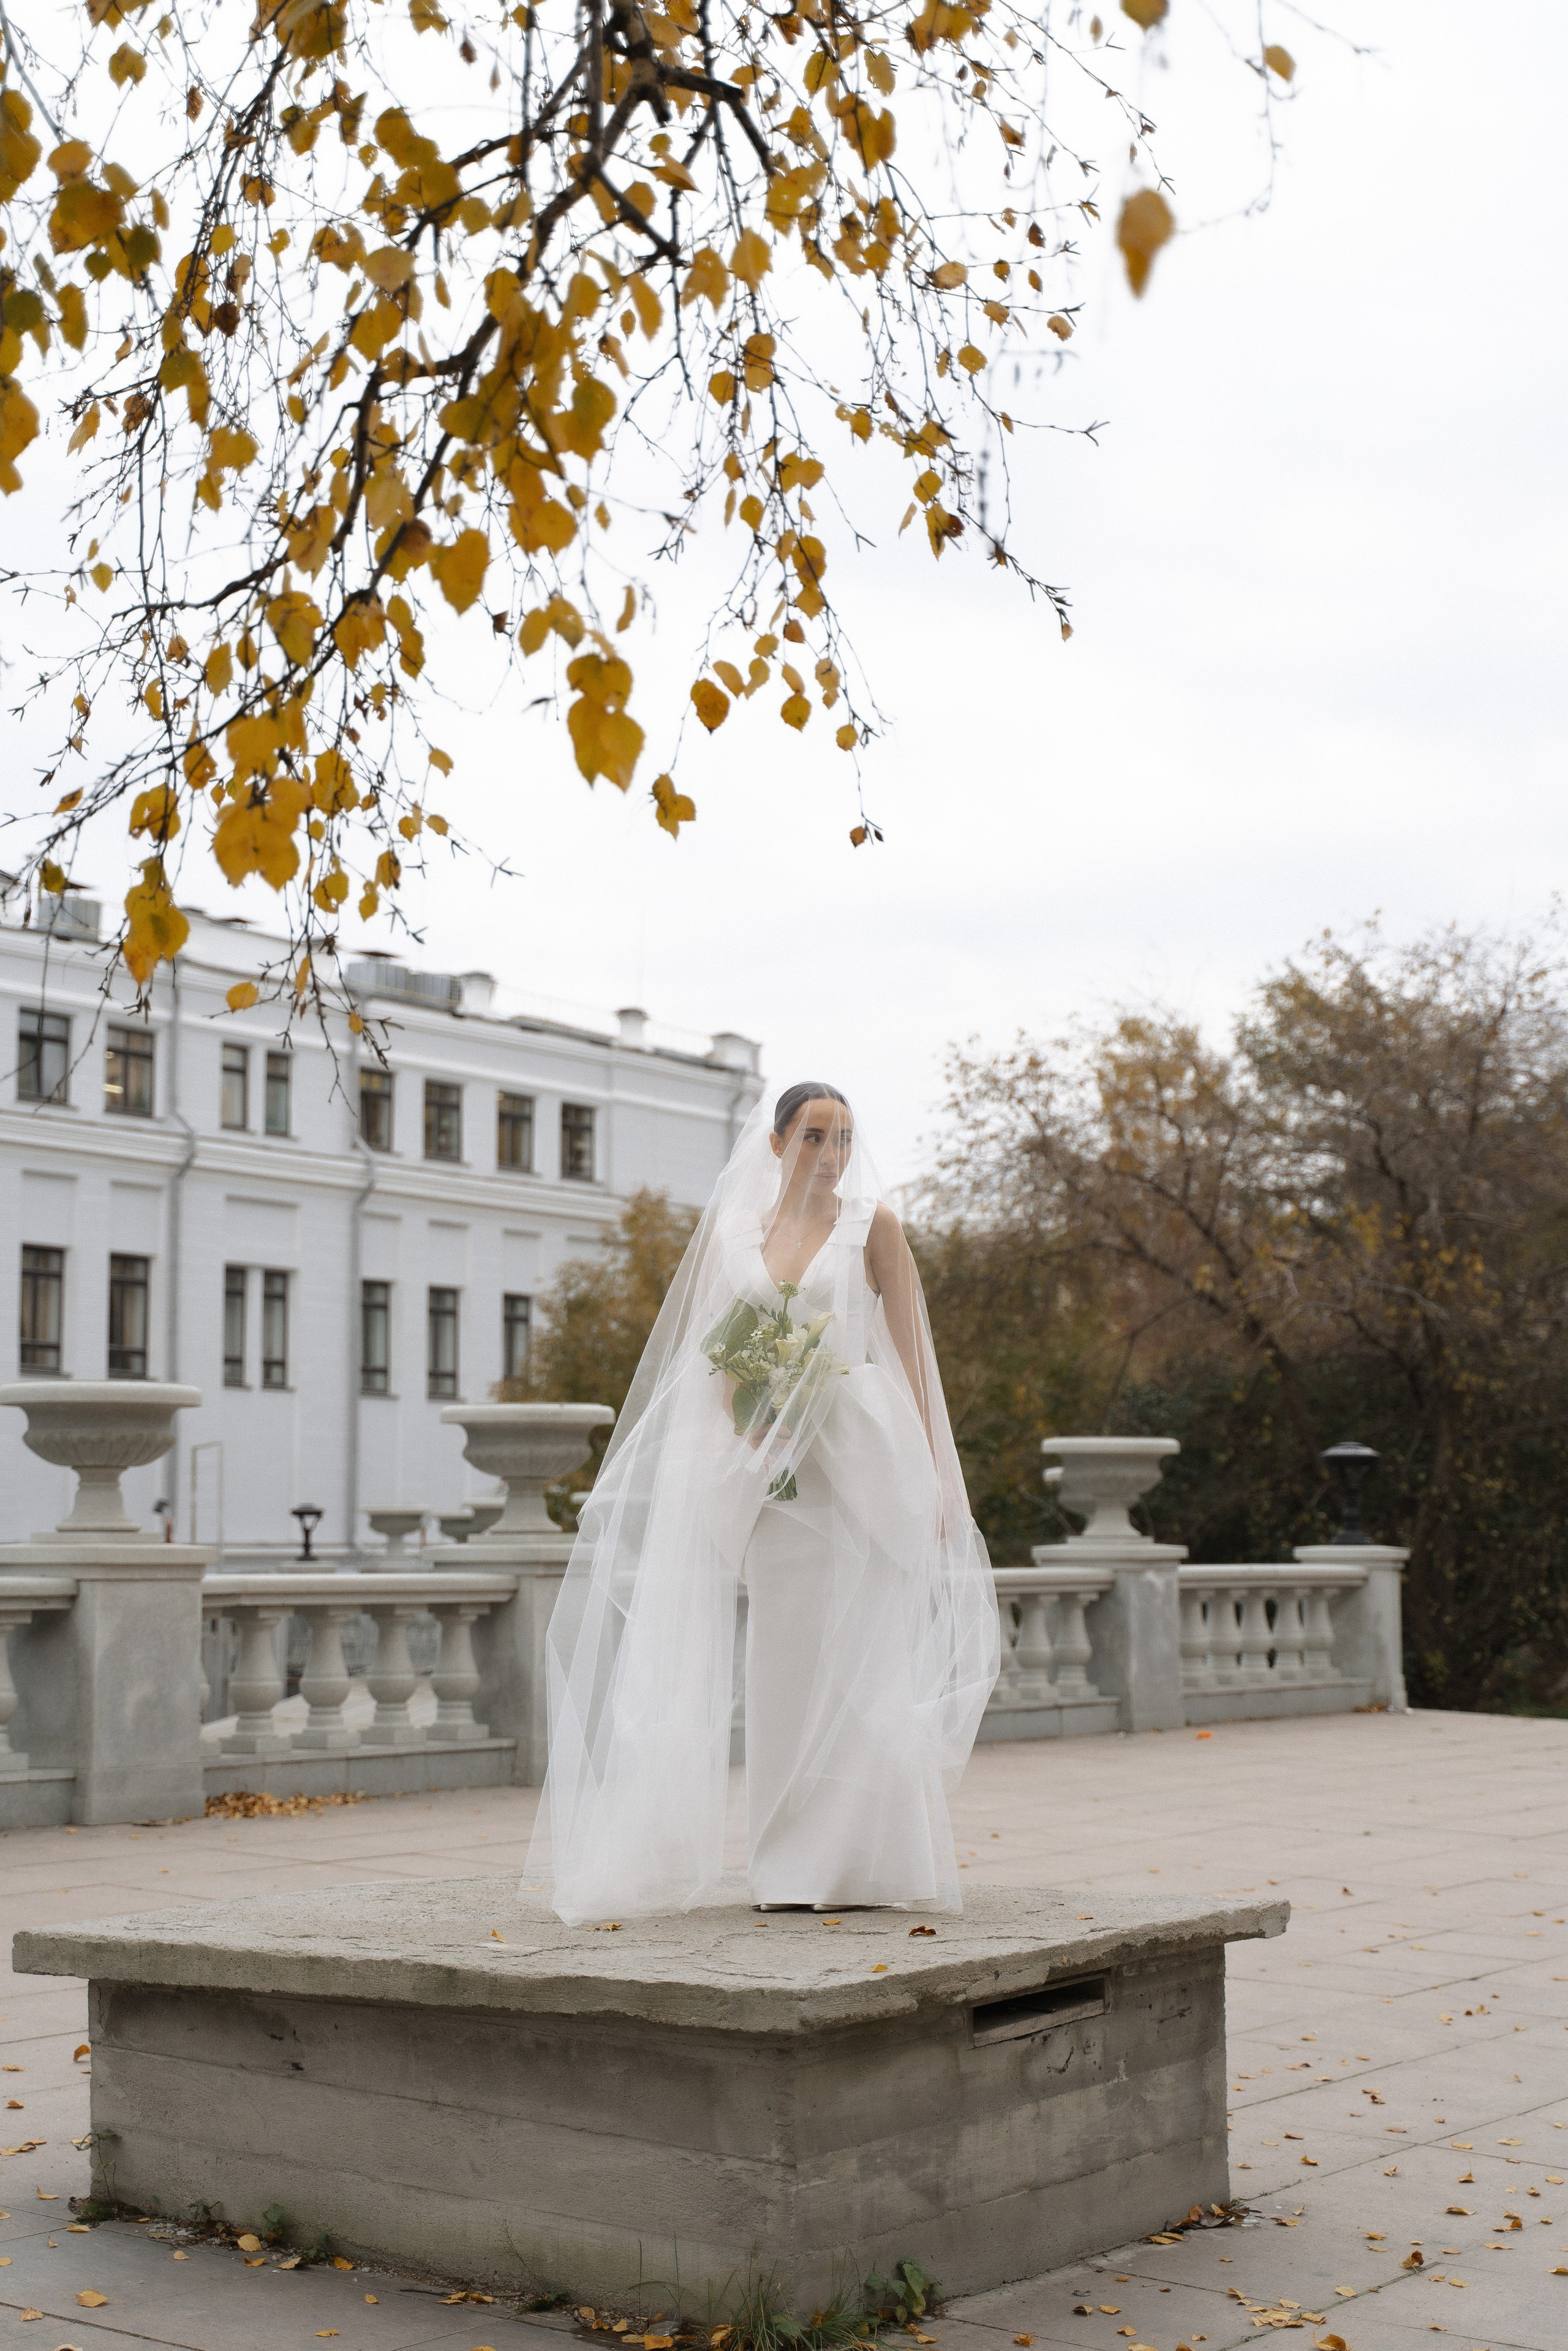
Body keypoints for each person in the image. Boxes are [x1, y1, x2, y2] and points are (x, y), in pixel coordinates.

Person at [527, 1082, 1000, 1922]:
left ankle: (862, 1861)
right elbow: (713, 1357)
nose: (831, 1153)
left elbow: (914, 1357)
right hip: (772, 1477)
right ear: (778, 1141)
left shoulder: (873, 1228)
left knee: (859, 1670)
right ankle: (786, 1867)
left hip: (859, 1471)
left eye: (845, 1136)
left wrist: (937, 1476)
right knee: (783, 1669)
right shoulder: (736, 1236)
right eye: (815, 1134)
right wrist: (752, 1413)